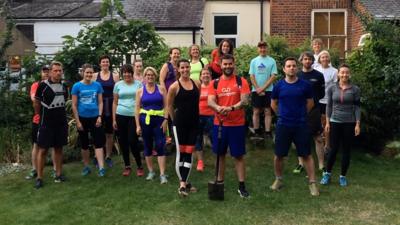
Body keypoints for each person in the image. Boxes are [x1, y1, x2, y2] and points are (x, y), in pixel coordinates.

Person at [270, 57, 319, 196]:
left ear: (297, 68)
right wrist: (281, 115)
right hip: (283, 125)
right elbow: (273, 103)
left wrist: (302, 114)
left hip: (301, 125)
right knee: (279, 155)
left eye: (293, 66)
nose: (291, 68)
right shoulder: (279, 86)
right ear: (284, 69)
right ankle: (278, 180)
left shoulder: (305, 85)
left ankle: (312, 183)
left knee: (306, 155)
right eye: (288, 66)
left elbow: (310, 103)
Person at [208, 54, 251, 198]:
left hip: (237, 125)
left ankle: (242, 186)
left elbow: (245, 101)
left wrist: (231, 108)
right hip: (219, 125)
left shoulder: (241, 81)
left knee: (238, 156)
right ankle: (219, 183)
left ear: (234, 64)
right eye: (225, 64)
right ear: (220, 65)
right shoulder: (214, 83)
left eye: (230, 64)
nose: (227, 66)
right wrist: (218, 107)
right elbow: (210, 101)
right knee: (220, 155)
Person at [320, 64, 361, 187]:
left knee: (346, 150)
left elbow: (357, 107)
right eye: (342, 72)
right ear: (338, 74)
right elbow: (329, 106)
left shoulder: (355, 89)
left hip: (349, 122)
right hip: (335, 121)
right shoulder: (332, 88)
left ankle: (343, 176)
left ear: (349, 74)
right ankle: (327, 174)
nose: (344, 75)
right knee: (333, 149)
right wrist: (327, 122)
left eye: (346, 72)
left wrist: (357, 124)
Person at [167, 59, 200, 197]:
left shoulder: (196, 83)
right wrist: (175, 121)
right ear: (178, 70)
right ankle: (182, 184)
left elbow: (197, 103)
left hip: (193, 123)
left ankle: (185, 182)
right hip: (179, 124)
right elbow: (169, 106)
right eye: (183, 67)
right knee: (180, 154)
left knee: (189, 152)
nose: (185, 70)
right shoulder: (174, 86)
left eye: (187, 67)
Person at [34, 61, 68, 189]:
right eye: (56, 70)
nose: (58, 72)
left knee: (59, 148)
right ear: (51, 71)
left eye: (60, 70)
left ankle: (58, 174)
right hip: (46, 123)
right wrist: (38, 116)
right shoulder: (42, 86)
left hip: (60, 122)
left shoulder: (64, 86)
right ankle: (39, 177)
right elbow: (37, 103)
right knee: (43, 150)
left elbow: (64, 102)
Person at [293, 52, 325, 174]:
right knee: (299, 137)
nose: (307, 61)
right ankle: (301, 164)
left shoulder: (319, 75)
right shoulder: (297, 75)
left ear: (313, 61)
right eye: (305, 59)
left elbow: (322, 93)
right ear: (301, 61)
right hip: (299, 110)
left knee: (318, 138)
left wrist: (313, 101)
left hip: (314, 110)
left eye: (309, 59)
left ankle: (321, 165)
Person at [135, 67, 169, 184]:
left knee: (161, 145)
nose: (150, 77)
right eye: (147, 75)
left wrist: (165, 119)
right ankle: (151, 171)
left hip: (159, 121)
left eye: (152, 75)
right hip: (145, 121)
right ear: (144, 77)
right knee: (147, 145)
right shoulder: (140, 91)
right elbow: (137, 109)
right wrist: (138, 125)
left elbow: (166, 106)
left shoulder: (161, 89)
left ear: (155, 76)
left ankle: (162, 174)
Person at [71, 64, 106, 177]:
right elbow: (74, 105)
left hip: (95, 118)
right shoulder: (76, 86)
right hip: (82, 118)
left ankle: (101, 167)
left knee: (98, 143)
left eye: (91, 72)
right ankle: (86, 167)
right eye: (87, 72)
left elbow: (100, 102)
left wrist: (100, 116)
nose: (89, 74)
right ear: (83, 73)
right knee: (84, 144)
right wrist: (78, 121)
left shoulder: (97, 85)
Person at [112, 64, 144, 177]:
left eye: (128, 72)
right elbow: (115, 102)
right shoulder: (118, 85)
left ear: (132, 73)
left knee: (132, 141)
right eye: (124, 72)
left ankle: (139, 165)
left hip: (134, 116)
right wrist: (114, 119)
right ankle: (127, 166)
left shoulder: (138, 84)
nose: (126, 74)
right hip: (120, 115)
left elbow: (141, 101)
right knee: (123, 142)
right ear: (122, 74)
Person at [26, 66, 56, 180]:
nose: (46, 73)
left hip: (52, 119)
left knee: (54, 145)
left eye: (48, 71)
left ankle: (55, 170)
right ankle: (34, 169)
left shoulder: (54, 84)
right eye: (44, 72)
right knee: (36, 145)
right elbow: (35, 99)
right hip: (38, 120)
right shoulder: (36, 85)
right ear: (41, 73)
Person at [93, 55, 120, 168]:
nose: (105, 63)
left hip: (110, 106)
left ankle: (108, 156)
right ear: (100, 64)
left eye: (107, 62)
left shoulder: (115, 76)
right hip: (98, 106)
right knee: (97, 132)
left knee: (109, 133)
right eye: (103, 62)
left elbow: (117, 93)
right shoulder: (94, 76)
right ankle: (96, 155)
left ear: (109, 63)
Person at [249, 41, 277, 140]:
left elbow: (273, 76)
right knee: (256, 111)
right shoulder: (254, 61)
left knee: (267, 111)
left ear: (267, 49)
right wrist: (257, 89)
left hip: (269, 90)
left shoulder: (272, 61)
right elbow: (252, 76)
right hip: (255, 90)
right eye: (260, 48)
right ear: (258, 49)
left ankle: (267, 131)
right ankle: (256, 131)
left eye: (264, 48)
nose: (262, 50)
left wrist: (263, 88)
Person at [314, 50, 338, 151]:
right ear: (319, 59)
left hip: (328, 101)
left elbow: (336, 87)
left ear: (329, 59)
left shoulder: (334, 71)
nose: (324, 59)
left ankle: (327, 146)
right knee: (317, 122)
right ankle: (318, 143)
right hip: (317, 100)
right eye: (322, 57)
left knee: (326, 123)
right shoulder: (316, 69)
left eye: (326, 57)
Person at [160, 47, 181, 144]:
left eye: (178, 53)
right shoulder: (166, 65)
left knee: (176, 116)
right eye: (174, 53)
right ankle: (167, 140)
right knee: (167, 117)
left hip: (177, 95)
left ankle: (176, 139)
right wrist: (165, 93)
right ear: (170, 55)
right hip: (168, 94)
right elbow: (161, 80)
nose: (176, 55)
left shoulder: (179, 66)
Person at [194, 68, 214, 172]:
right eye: (203, 74)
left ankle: (218, 158)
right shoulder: (197, 87)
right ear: (200, 76)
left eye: (207, 73)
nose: (205, 75)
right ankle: (200, 162)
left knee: (213, 137)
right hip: (199, 116)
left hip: (211, 116)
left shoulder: (214, 86)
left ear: (210, 75)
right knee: (198, 139)